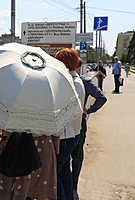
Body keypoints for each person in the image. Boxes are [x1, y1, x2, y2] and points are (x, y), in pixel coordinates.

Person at [72, 60, 107, 200]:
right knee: (77, 154)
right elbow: (101, 98)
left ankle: (69, 187)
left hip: (65, 124)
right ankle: (73, 187)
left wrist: (89, 110)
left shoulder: (79, 81)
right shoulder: (84, 81)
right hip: (79, 123)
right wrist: (88, 111)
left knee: (67, 156)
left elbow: (102, 98)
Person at [55, 48, 85, 200]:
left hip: (67, 136)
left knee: (55, 173)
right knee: (65, 171)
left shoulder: (72, 83)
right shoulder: (76, 80)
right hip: (73, 133)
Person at [0, 130, 60, 200]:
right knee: (39, 188)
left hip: (17, 147)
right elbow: (56, 134)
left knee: (15, 185)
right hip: (44, 148)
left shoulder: (16, 119)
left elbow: (6, 131)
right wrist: (56, 149)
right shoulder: (50, 120)